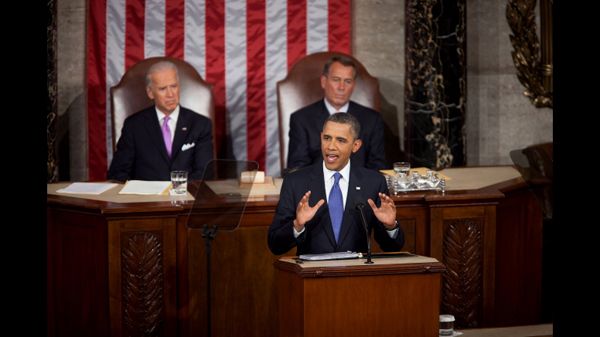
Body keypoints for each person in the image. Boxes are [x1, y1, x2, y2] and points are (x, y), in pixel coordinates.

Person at [268, 113, 404, 255]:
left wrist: (390, 226)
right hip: (312, 274)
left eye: (340, 140)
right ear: (321, 137)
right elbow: (275, 245)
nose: (331, 146)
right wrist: (297, 225)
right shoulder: (295, 182)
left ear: (356, 145)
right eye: (327, 138)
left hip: (355, 274)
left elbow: (392, 247)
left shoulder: (373, 182)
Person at [107, 60, 214, 181]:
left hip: (185, 196)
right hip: (146, 198)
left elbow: (204, 173)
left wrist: (177, 192)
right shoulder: (133, 126)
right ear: (150, 93)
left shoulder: (200, 124)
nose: (170, 94)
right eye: (163, 89)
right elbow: (118, 173)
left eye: (174, 86)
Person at [286, 55, 386, 173]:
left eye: (347, 81)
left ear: (353, 85)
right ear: (324, 81)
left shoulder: (372, 119)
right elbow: (297, 168)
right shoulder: (301, 119)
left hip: (360, 188)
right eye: (336, 80)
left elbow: (378, 166)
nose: (341, 87)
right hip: (316, 188)